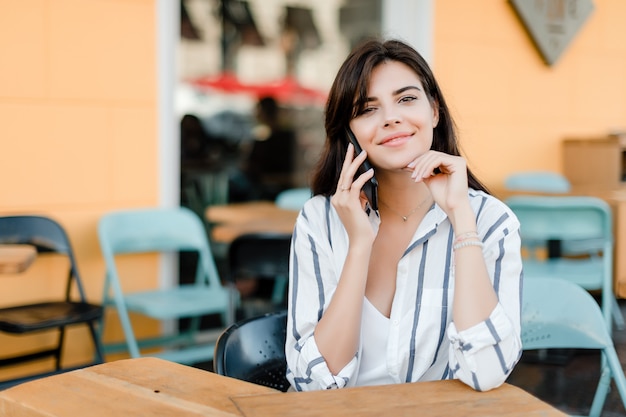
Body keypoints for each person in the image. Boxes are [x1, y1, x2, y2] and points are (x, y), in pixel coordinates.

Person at [285, 38, 523, 392]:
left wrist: (461, 219)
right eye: (367, 109)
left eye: (406, 99)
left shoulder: (491, 221)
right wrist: (359, 246)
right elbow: (315, 385)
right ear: (350, 131)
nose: (391, 117)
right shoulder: (319, 220)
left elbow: (485, 373)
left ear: (434, 111)